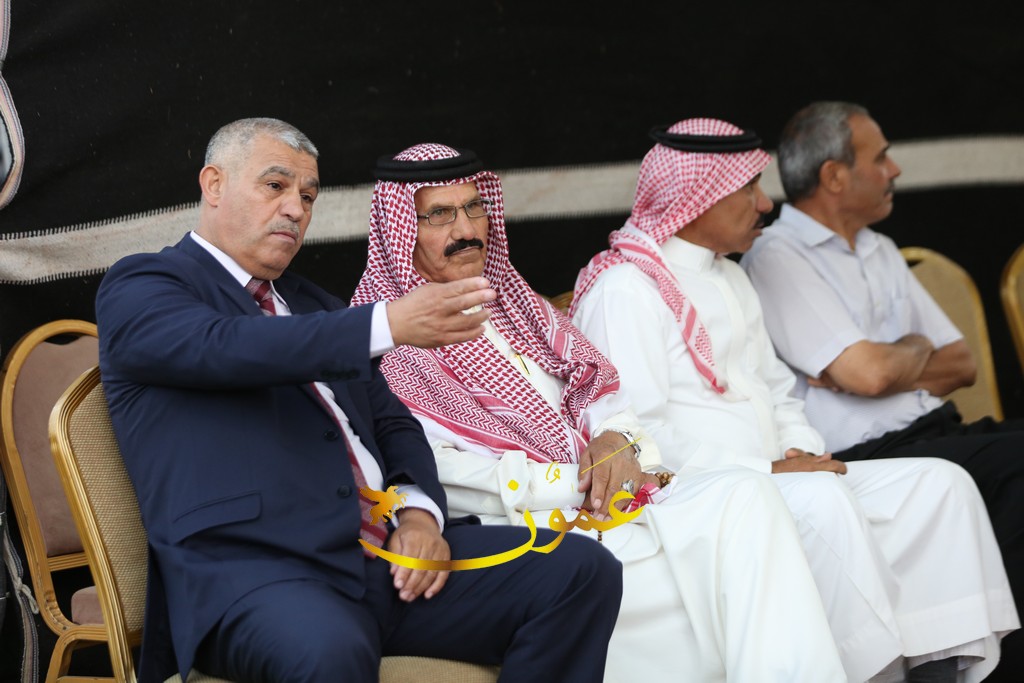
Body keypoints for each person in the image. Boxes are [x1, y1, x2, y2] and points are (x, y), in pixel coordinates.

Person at [95, 118, 625, 683]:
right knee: (330, 652)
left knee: (578, 572)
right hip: (259, 575)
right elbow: (226, 347)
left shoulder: (310, 303)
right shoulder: (144, 286)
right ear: (214, 184)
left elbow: (393, 424)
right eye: (275, 186)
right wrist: (386, 323)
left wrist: (419, 514)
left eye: (308, 196)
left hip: (384, 562)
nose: (295, 209)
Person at [350, 142, 847, 682]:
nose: (466, 229)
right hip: (529, 522)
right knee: (729, 558)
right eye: (440, 215)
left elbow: (605, 395)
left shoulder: (518, 304)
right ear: (402, 230)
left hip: (614, 496)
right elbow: (436, 469)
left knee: (748, 495)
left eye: (474, 207)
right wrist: (579, 482)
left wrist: (616, 443)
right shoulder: (386, 337)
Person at [571, 117, 1018, 683]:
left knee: (940, 484)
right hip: (698, 495)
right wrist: (770, 470)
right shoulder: (625, 290)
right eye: (748, 189)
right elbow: (637, 435)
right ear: (697, 201)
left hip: (779, 475)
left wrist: (800, 451)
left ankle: (941, 670)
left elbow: (778, 391)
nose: (765, 204)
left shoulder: (731, 279)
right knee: (823, 500)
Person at [741, 101, 1024, 680]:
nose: (894, 170)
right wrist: (901, 355)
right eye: (881, 157)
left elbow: (962, 363)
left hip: (937, 428)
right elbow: (868, 376)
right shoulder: (777, 256)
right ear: (834, 175)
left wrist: (894, 356)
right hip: (870, 453)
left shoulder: (881, 248)